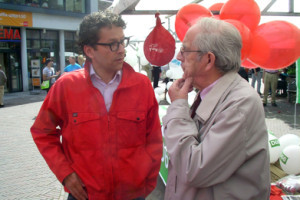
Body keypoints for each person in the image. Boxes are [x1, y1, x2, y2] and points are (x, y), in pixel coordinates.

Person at [31, 10, 162, 200]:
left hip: (132, 194)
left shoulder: (141, 85)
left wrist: (146, 182)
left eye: (123, 41)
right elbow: (43, 132)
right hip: (84, 194)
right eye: (112, 44)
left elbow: (154, 139)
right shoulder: (66, 86)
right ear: (89, 50)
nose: (121, 49)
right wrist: (65, 174)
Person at [162, 17, 270, 200]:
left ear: (208, 60)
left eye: (184, 50)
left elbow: (193, 169)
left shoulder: (240, 104)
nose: (179, 57)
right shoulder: (212, 91)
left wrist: (178, 107)